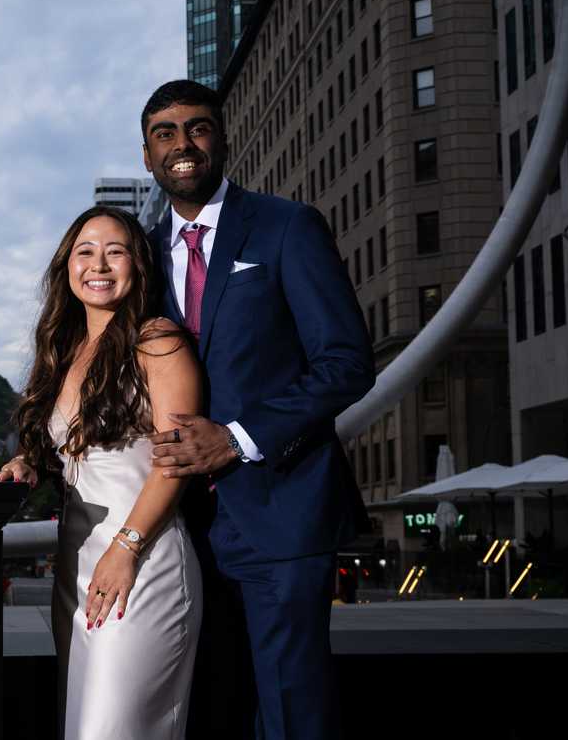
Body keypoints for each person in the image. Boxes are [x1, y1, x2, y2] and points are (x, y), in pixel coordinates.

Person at [140, 79, 376, 739]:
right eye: (165, 132)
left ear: (220, 137)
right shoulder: (140, 253)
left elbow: (346, 362)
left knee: (291, 711)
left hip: (280, 509)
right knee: (210, 709)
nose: (182, 144)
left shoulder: (285, 226)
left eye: (197, 128)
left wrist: (237, 438)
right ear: (147, 154)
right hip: (179, 526)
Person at [0, 206, 203, 739]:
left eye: (115, 251)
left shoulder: (159, 341)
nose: (98, 264)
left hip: (139, 562)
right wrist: (26, 461)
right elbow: (70, 446)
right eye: (85, 251)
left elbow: (176, 462)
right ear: (66, 267)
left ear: (137, 266)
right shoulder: (63, 351)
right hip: (76, 570)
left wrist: (126, 548)